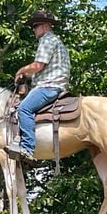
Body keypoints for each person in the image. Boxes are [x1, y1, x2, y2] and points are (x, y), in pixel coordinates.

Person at [5, 9, 71, 161]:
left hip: (49, 86)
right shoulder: (55, 41)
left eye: (35, 26)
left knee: (24, 108)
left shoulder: (47, 40)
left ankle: (27, 149)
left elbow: (38, 66)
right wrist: (26, 75)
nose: (33, 29)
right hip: (55, 84)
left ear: (46, 25)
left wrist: (21, 70)